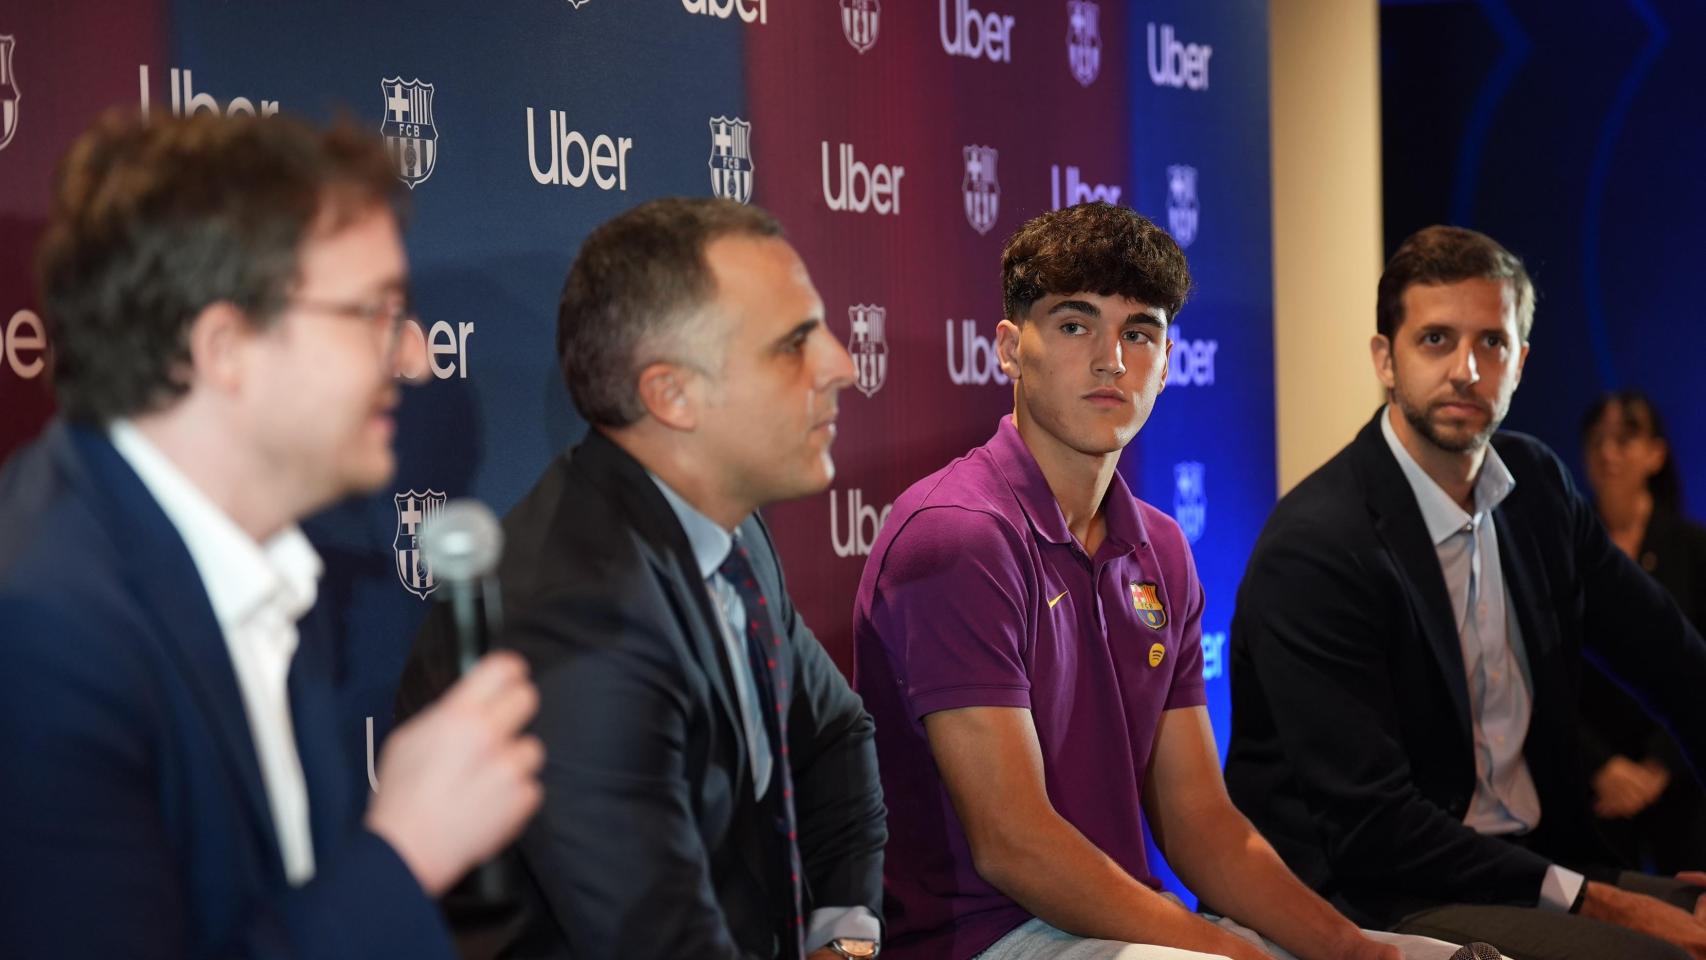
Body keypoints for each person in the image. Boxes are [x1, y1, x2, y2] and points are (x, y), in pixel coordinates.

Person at [0, 110, 544, 959]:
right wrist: (404, 853)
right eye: (370, 311)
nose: (411, 355)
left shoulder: (269, 568)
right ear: (225, 348)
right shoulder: (44, 632)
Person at [852, 202, 1458, 960]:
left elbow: (1202, 821)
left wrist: (1358, 953)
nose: (1112, 359)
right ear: (1009, 349)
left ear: (1168, 361)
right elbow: (1014, 844)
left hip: (1122, 921)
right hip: (980, 939)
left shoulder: (1162, 547)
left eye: (1139, 333)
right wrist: (1227, 952)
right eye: (1075, 325)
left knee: (1445, 959)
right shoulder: (958, 535)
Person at [396, 197, 887, 960]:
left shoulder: (735, 533)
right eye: (794, 344)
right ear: (671, 395)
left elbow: (834, 739)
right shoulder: (576, 613)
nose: (842, 365)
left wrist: (844, 938)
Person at [1225, 224, 1706, 960]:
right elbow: (1374, 826)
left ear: (1521, 363)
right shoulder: (1317, 547)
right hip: (1377, 893)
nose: (1467, 370)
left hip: (1536, 865)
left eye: (1492, 344)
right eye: (1437, 341)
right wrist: (1611, 904)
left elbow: (1676, 665)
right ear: (1386, 359)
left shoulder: (1537, 488)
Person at [1578, 391, 1706, 872]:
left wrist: (1659, 766)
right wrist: (1601, 765)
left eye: (1625, 439)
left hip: (1686, 775)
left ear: (1656, 452)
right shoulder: (1564, 549)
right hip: (1595, 783)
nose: (1608, 453)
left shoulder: (1694, 548)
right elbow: (1541, 670)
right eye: (1597, 441)